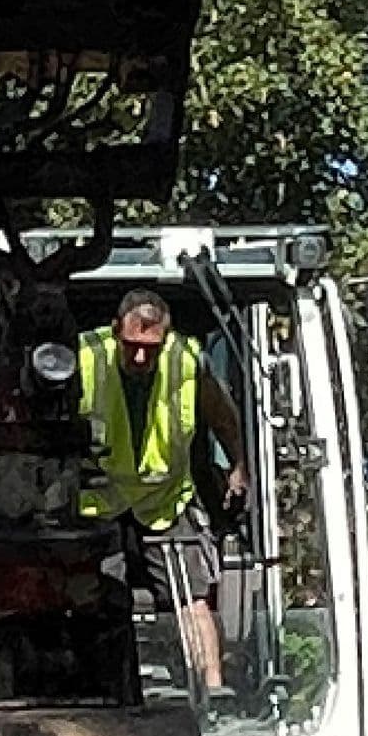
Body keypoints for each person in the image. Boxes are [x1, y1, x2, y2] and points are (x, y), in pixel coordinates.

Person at [79, 287, 247, 696]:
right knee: (98, 600)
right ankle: (101, 691)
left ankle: (213, 690)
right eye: (132, 346)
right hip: (98, 501)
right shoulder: (83, 359)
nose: (140, 358)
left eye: (150, 349)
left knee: (191, 595)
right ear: (116, 330)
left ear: (166, 339)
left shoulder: (187, 363)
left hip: (165, 498)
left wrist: (239, 467)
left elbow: (223, 418)